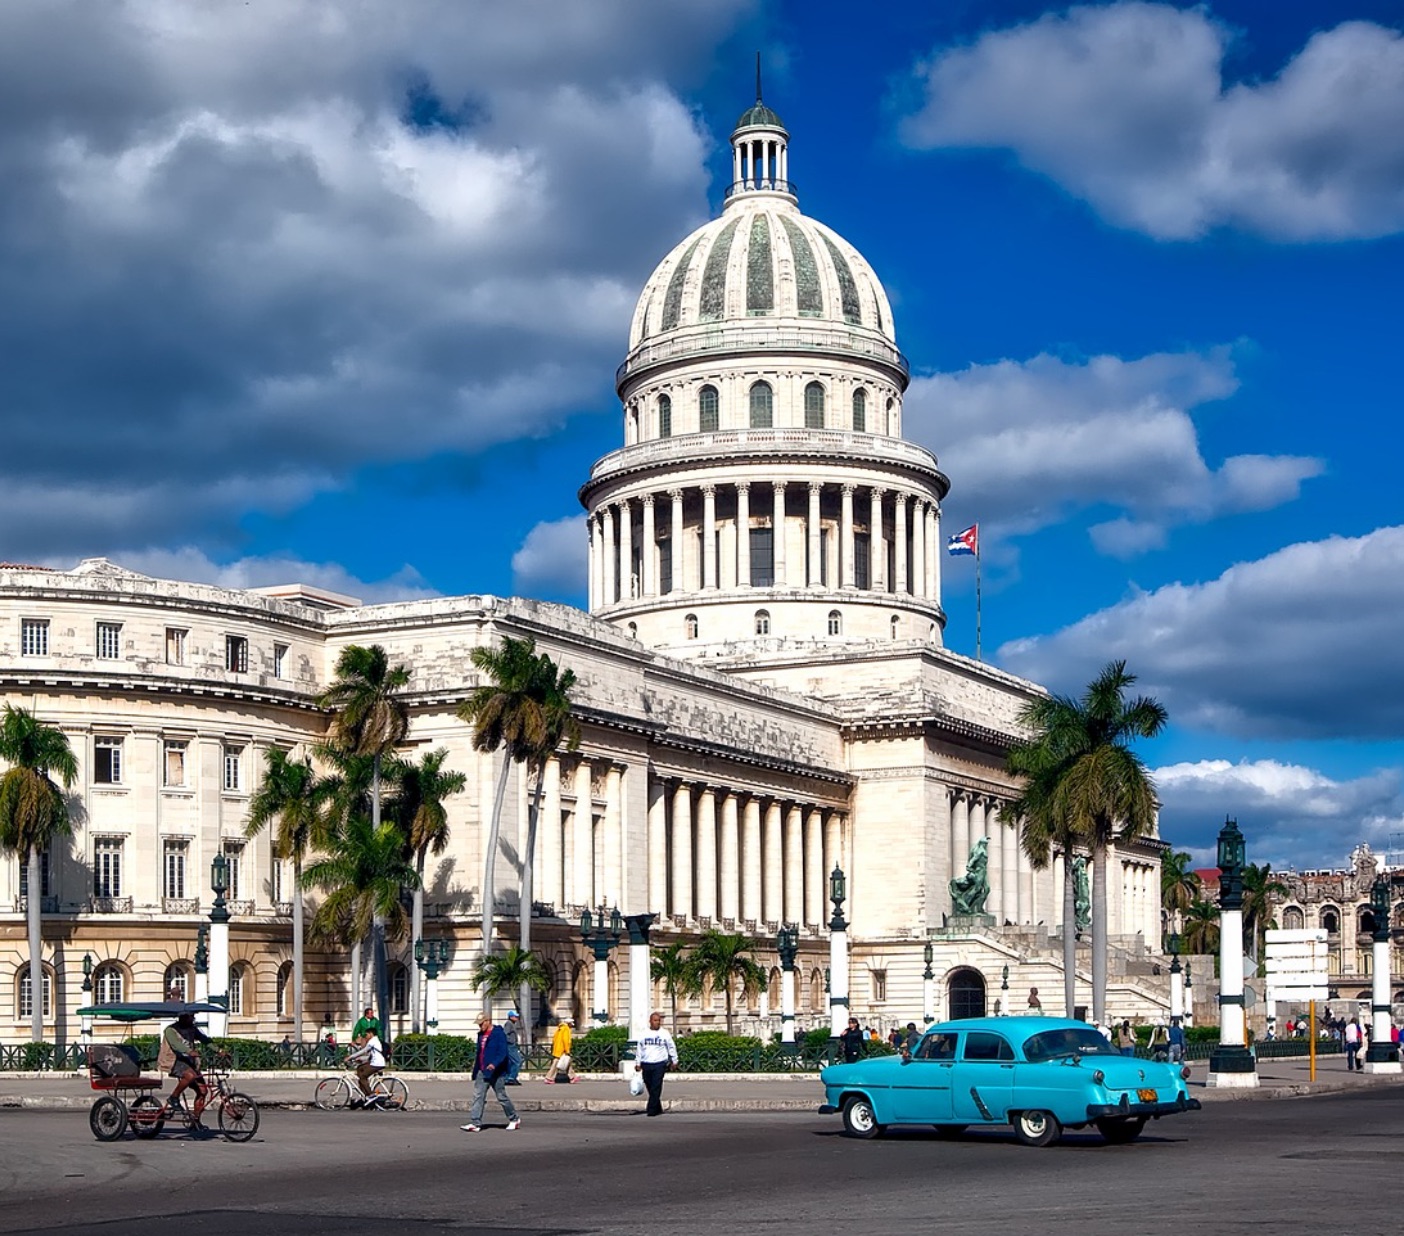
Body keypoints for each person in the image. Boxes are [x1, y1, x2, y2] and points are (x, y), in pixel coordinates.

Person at [461, 1013, 521, 1132]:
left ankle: (514, 1118)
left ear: (488, 1021)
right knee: (478, 1096)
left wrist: (494, 1063)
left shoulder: (499, 1034)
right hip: (482, 1071)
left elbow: (503, 1052)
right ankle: (475, 1122)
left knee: (501, 1096)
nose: (480, 1026)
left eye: (482, 1024)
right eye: (479, 1024)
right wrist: (476, 1068)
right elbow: (480, 1053)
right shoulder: (480, 1035)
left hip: (496, 1072)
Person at [161, 1012, 212, 1127]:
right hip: (174, 1061)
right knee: (190, 1076)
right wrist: (190, 1051)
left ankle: (195, 1121)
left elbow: (204, 1039)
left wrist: (219, 1050)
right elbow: (176, 1045)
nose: (193, 1018)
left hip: (189, 1063)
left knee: (203, 1091)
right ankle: (173, 1098)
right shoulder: (171, 1030)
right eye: (191, 1016)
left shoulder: (192, 1029)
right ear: (183, 1017)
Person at [634, 1011, 679, 1117]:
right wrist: (638, 1062)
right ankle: (658, 1107)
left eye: (659, 1020)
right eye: (655, 1020)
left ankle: (651, 1109)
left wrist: (674, 1060)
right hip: (646, 1063)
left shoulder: (664, 1033)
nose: (657, 1023)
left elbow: (671, 1047)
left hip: (659, 1063)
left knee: (656, 1086)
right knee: (649, 1085)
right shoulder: (644, 1033)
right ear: (650, 1021)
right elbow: (639, 1049)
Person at [345, 1027, 387, 1104]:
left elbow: (363, 1051)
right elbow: (369, 1055)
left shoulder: (373, 1041)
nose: (366, 1036)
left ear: (371, 1034)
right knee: (360, 1069)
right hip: (375, 1062)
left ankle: (371, 1095)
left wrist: (350, 1057)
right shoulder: (374, 1041)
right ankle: (365, 1095)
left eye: (367, 1034)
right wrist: (359, 1059)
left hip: (377, 1063)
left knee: (363, 1077)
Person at [545, 1016, 577, 1083]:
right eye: (571, 1024)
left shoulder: (559, 1028)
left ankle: (572, 1077)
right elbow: (566, 1041)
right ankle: (549, 1078)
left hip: (557, 1049)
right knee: (556, 1064)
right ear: (569, 1024)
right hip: (562, 1050)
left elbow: (554, 1039)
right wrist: (567, 1050)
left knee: (568, 1062)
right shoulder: (566, 1029)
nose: (571, 1026)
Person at [503, 1010, 524, 1084]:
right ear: (511, 1017)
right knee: (517, 1061)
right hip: (510, 1045)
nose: (517, 1018)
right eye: (515, 1016)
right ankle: (511, 1077)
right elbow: (505, 1034)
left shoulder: (512, 1023)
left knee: (511, 1062)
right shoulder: (509, 1024)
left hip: (512, 1045)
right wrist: (510, 1041)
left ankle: (509, 1077)